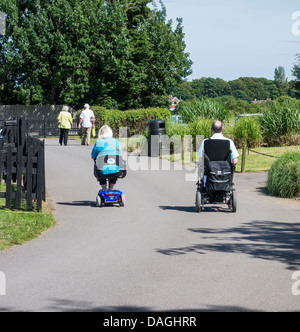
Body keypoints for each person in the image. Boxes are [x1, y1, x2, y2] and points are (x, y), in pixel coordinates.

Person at [197, 120, 239, 185]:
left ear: (211, 129)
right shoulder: (229, 142)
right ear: (223, 129)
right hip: (225, 173)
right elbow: (234, 160)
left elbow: (200, 160)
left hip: (209, 173)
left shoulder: (205, 142)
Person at [91, 125, 122, 191]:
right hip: (116, 167)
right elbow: (120, 153)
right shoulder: (116, 141)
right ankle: (111, 187)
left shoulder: (98, 142)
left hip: (102, 168)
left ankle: (104, 188)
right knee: (114, 170)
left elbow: (93, 156)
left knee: (100, 172)